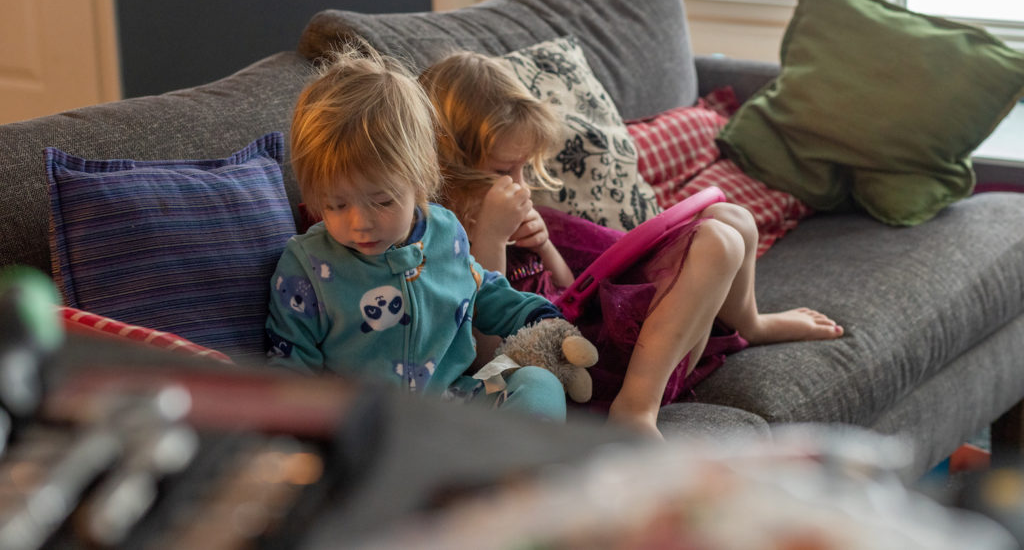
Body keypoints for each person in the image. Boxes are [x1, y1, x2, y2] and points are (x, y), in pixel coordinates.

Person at [419, 51, 844, 439]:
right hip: (590, 370)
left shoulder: (528, 219)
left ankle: (749, 323)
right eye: (502, 171)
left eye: (524, 168)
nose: (520, 186)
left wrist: (546, 247)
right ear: (448, 168)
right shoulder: (440, 243)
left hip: (612, 332)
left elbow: (571, 291)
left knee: (732, 218)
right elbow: (484, 356)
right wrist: (491, 238)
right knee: (716, 242)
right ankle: (636, 409)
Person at [264, 44, 569, 422]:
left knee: (540, 384)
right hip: (363, 425)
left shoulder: (444, 231)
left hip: (454, 404)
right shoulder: (307, 266)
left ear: (421, 177)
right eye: (336, 205)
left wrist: (545, 320)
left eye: (382, 201)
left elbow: (482, 290)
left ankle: (498, 468)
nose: (360, 223)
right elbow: (290, 366)